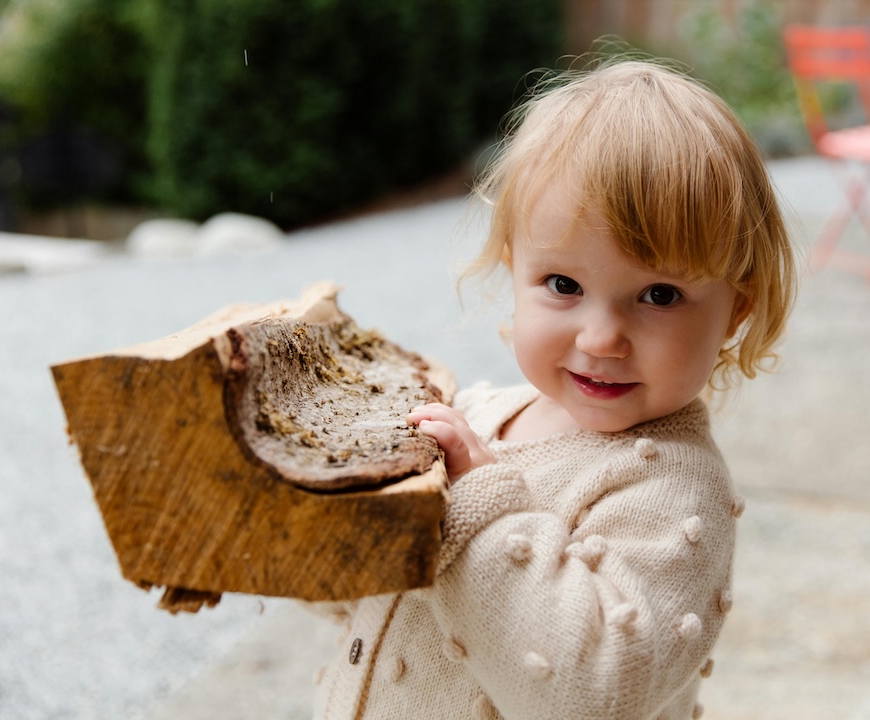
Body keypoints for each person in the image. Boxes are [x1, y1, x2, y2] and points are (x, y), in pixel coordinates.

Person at [312, 56, 796, 720]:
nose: (602, 338)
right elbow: (370, 596)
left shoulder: (673, 492)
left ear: (734, 311)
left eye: (659, 294)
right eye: (564, 285)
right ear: (515, 266)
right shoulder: (475, 416)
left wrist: (480, 512)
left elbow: (590, 691)